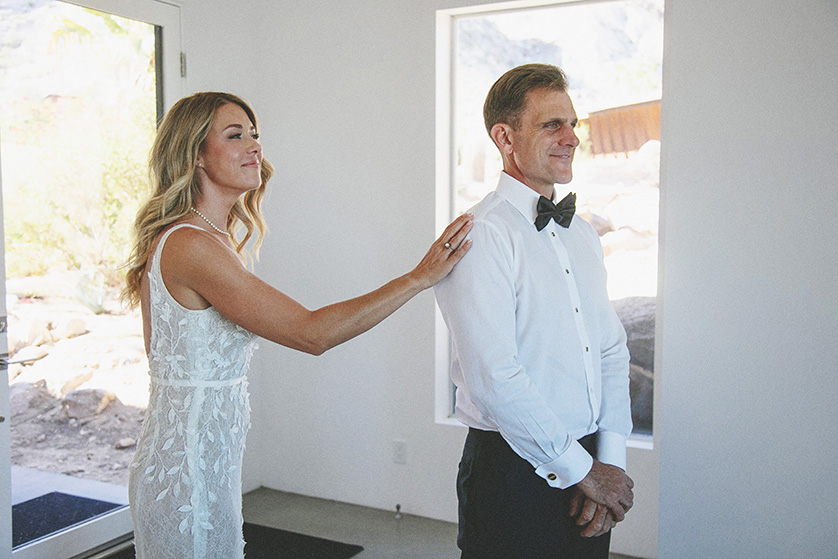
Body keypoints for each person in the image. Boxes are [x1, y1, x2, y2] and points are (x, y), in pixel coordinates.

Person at [121, 91, 473, 559]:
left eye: (255, 134)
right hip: (185, 476)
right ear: (196, 155)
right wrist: (417, 278)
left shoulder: (206, 238)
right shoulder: (192, 245)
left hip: (201, 467)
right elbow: (312, 333)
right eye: (234, 136)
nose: (254, 147)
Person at [433, 63, 634, 558]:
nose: (571, 138)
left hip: (590, 466)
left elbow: (610, 350)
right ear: (505, 136)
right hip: (510, 474)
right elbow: (494, 376)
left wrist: (608, 461)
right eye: (552, 125)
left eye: (573, 124)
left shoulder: (583, 234)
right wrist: (587, 472)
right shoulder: (480, 236)